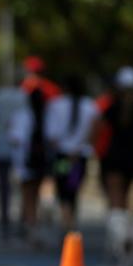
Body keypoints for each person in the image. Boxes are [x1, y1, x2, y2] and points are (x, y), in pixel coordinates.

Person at [97, 66, 133, 266]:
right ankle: (129, 239)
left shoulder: (111, 107)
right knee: (128, 204)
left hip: (113, 158)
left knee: (115, 203)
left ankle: (118, 244)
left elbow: (97, 130)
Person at [45, 74, 97, 232]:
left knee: (63, 190)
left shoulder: (55, 105)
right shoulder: (90, 106)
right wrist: (80, 147)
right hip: (80, 157)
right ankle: (71, 221)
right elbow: (95, 131)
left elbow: (51, 135)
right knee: (73, 188)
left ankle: (66, 222)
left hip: (63, 156)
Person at [0, 83, 27, 238]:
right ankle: (24, 219)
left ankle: (5, 219)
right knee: (24, 185)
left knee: (3, 185)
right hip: (21, 149)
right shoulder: (24, 96)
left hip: (0, 146)